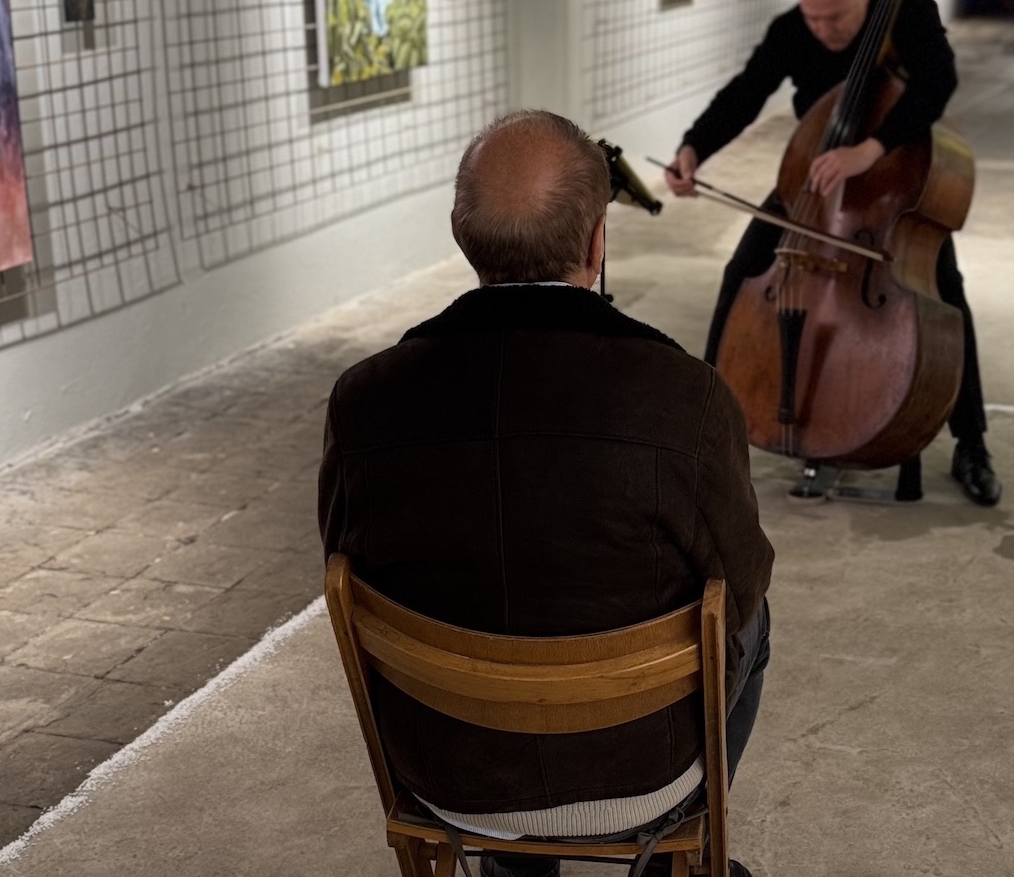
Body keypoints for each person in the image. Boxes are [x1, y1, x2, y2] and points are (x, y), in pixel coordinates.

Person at [319, 110, 772, 877]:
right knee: (753, 619)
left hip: (448, 773)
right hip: (638, 773)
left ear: (462, 236)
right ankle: (675, 852)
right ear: (598, 242)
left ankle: (510, 865)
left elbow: (347, 572)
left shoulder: (364, 401)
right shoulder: (683, 399)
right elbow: (743, 583)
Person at [664, 0, 1003, 508]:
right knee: (743, 271)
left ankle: (972, 444)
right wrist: (695, 146)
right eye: (813, 17)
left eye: (835, 16)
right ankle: (711, 428)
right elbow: (748, 91)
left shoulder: (909, 13)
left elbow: (937, 85)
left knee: (945, 295)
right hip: (811, 182)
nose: (822, 29)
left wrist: (872, 147)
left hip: (893, 186)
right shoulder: (793, 28)